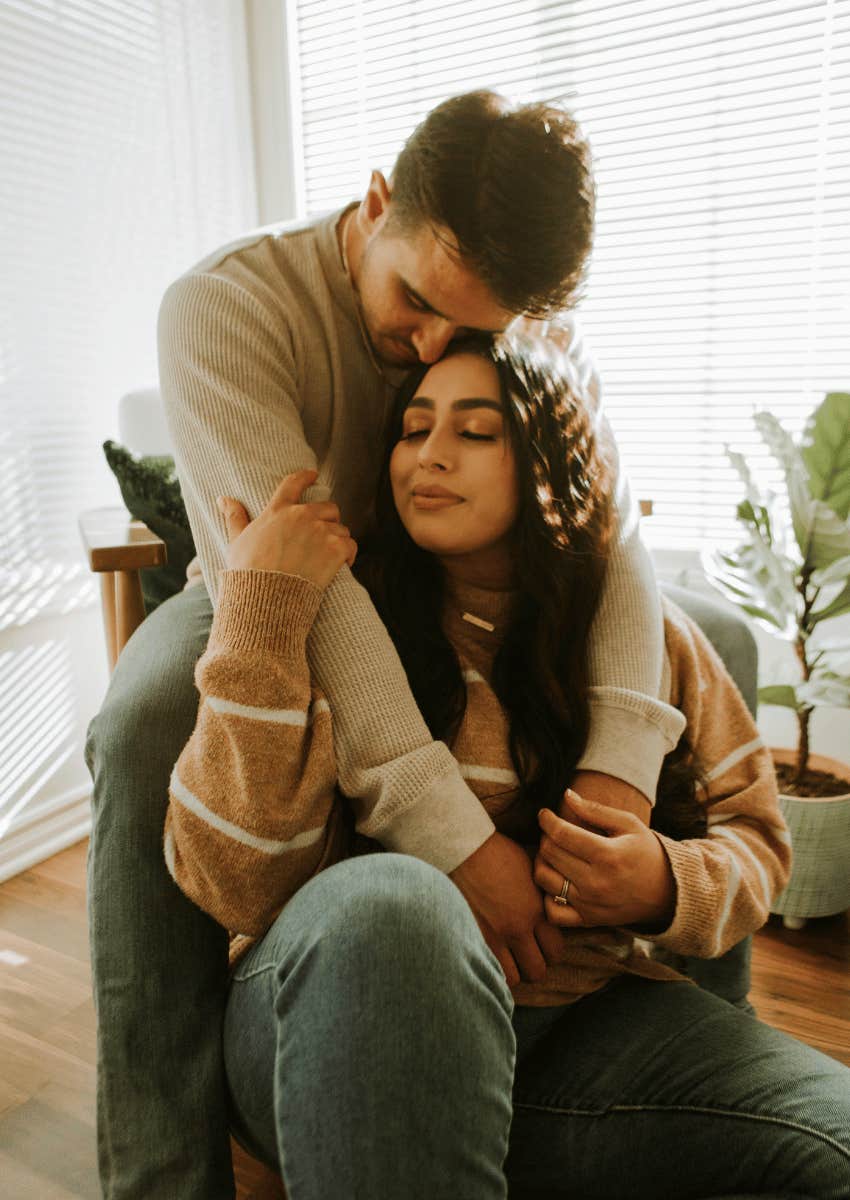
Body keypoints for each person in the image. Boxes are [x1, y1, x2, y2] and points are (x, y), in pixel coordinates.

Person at [86, 91, 735, 1195]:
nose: (435, 346)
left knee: (711, 633)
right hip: (282, 578)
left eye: (472, 330)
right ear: (376, 202)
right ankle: (161, 1167)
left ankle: (695, 1057)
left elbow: (610, 526)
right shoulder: (223, 307)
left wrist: (617, 786)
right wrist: (457, 844)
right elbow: (324, 592)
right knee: (146, 714)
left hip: (467, 565)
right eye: (419, 303)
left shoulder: (522, 313)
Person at [165, 336, 850, 1198]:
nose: (431, 454)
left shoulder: (648, 640)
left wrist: (663, 884)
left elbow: (756, 835)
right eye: (413, 429)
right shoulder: (341, 622)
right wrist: (259, 619)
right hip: (330, 1033)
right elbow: (234, 879)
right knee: (398, 907)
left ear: (549, 462)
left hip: (576, 1037)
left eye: (477, 431)